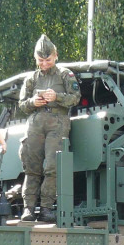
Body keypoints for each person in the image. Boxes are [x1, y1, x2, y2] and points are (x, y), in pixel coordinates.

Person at [17, 35, 80, 221]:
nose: (44, 63)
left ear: (55, 56)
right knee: (32, 167)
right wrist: (32, 102)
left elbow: (75, 97)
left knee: (52, 167)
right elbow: (22, 105)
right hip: (35, 123)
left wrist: (57, 97)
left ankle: (46, 207)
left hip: (57, 123)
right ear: (35, 59)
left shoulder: (65, 74)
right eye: (40, 60)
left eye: (48, 59)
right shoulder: (31, 79)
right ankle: (28, 208)